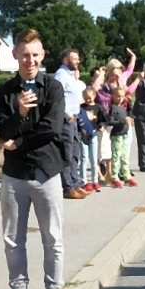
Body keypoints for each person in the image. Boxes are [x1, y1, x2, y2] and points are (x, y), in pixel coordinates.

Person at [0, 29, 70, 289]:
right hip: (14, 175)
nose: (30, 60)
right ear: (15, 55)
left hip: (46, 172)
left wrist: (20, 141)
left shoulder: (52, 88)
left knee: (53, 237)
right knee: (13, 238)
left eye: (35, 54)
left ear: (43, 55)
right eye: (25, 54)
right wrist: (20, 113)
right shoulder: (4, 93)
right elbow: (2, 131)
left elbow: (52, 127)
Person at [52, 49, 89, 201]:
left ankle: (75, 183)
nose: (77, 61)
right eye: (74, 59)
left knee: (75, 152)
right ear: (65, 60)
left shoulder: (70, 76)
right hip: (65, 120)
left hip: (73, 120)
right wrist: (67, 114)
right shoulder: (61, 75)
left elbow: (81, 89)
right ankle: (67, 187)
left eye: (78, 59)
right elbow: (56, 96)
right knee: (67, 154)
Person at [77, 87, 103, 192]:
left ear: (94, 96)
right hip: (83, 135)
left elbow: (103, 119)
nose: (88, 100)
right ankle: (84, 181)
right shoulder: (81, 108)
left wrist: (101, 125)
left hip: (94, 133)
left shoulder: (98, 107)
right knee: (84, 158)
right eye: (86, 98)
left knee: (93, 158)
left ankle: (95, 181)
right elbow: (78, 120)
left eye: (90, 98)